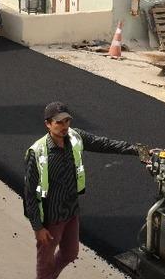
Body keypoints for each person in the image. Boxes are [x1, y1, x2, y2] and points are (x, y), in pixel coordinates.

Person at [24, 101, 139, 279]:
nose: (64, 126)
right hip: (51, 217)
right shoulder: (37, 152)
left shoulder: (75, 137)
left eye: (67, 121)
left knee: (70, 254)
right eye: (59, 122)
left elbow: (104, 144)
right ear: (48, 124)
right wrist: (38, 227)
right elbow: (30, 193)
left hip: (71, 212)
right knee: (44, 265)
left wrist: (136, 150)